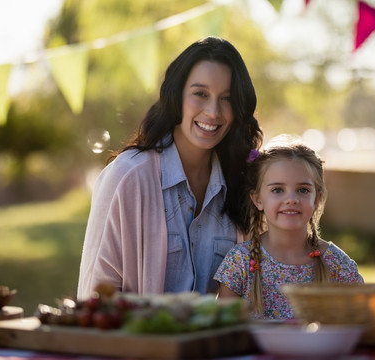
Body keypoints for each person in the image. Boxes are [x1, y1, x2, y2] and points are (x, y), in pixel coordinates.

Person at [77, 36, 263, 300]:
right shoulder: (127, 177)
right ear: (177, 96)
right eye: (200, 94)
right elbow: (96, 297)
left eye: (227, 98)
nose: (213, 111)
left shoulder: (243, 182)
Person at [214, 136, 363, 319]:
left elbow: (361, 320)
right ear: (258, 199)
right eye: (277, 190)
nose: (291, 199)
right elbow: (223, 332)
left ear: (316, 199)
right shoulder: (239, 262)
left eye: (303, 190)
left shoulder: (337, 264)